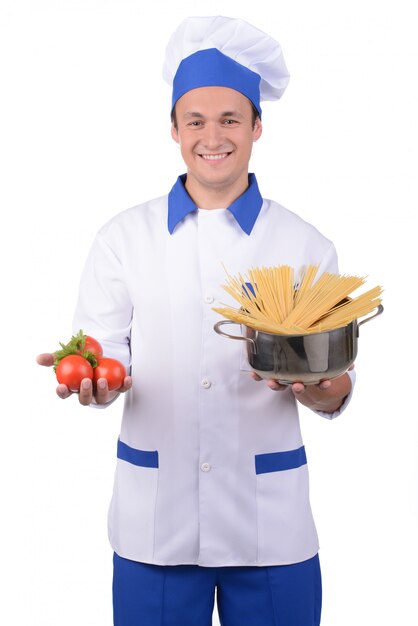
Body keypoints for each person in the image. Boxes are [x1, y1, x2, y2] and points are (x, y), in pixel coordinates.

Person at [37, 15, 355, 626]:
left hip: (270, 526)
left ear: (257, 127)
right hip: (156, 521)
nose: (214, 136)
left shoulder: (306, 245)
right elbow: (106, 352)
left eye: (231, 119)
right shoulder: (122, 238)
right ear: (175, 130)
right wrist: (98, 380)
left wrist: (321, 387)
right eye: (196, 120)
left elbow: (336, 382)